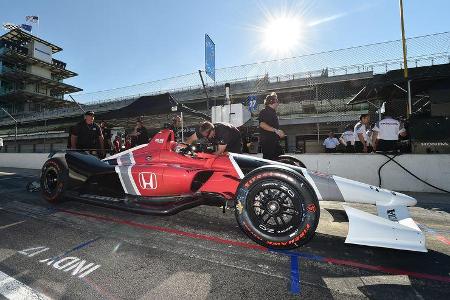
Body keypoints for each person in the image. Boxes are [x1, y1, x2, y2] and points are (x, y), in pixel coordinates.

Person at [258, 92, 285, 160]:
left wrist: (278, 133)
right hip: (268, 143)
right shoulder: (265, 111)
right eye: (277, 101)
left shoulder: (272, 112)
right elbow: (262, 124)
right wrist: (277, 131)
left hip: (274, 142)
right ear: (272, 102)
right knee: (271, 163)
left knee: (282, 159)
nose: (278, 103)